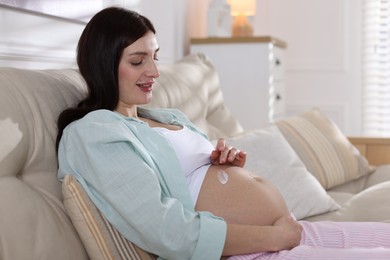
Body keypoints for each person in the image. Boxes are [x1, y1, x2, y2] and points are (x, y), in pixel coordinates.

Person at [56, 7, 390, 260]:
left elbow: (192, 184)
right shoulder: (93, 133)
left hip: (288, 232)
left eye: (155, 57)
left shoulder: (161, 117)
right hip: (253, 249)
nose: (155, 72)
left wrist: (221, 164)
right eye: (138, 60)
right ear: (103, 63)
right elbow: (165, 230)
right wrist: (274, 239)